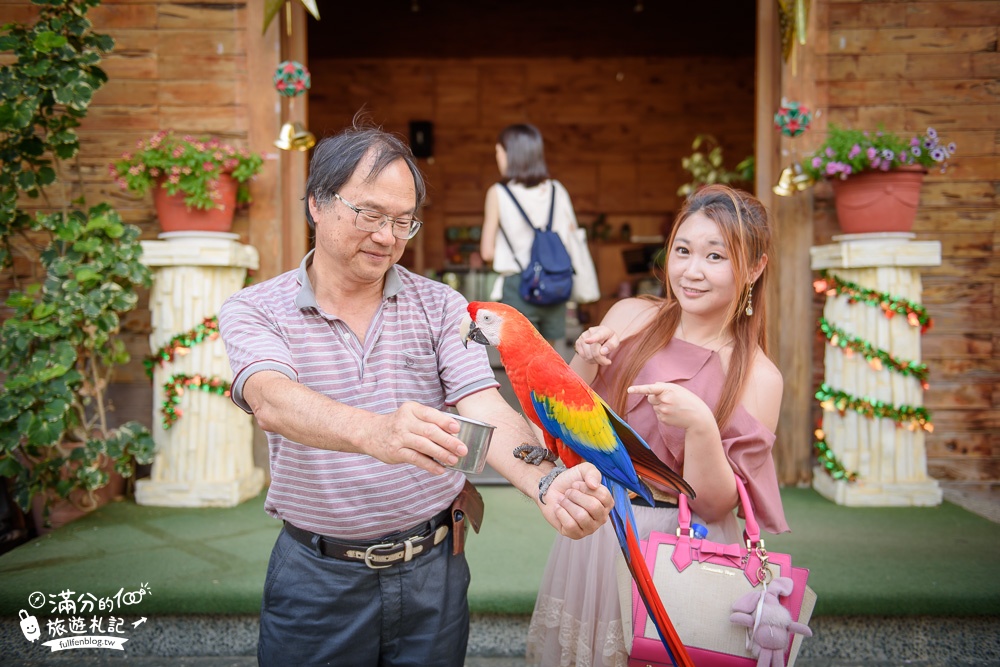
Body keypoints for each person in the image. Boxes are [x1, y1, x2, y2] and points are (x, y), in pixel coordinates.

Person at [217, 120, 614, 667]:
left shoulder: (441, 306)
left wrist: (548, 482)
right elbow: (271, 400)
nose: (388, 237)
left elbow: (482, 404)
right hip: (316, 576)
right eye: (370, 215)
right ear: (316, 204)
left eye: (404, 221)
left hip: (435, 571)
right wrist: (374, 431)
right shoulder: (255, 309)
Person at [525, 184, 790, 667]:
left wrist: (702, 428)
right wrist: (583, 362)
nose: (691, 271)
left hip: (685, 543)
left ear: (754, 267)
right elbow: (562, 418)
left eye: (716, 257)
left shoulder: (759, 376)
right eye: (683, 251)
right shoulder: (631, 316)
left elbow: (714, 503)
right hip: (603, 526)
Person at [479, 123, 583, 346]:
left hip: (519, 286)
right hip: (555, 283)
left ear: (510, 154)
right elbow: (571, 240)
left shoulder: (498, 193)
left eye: (498, 152)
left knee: (521, 366)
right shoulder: (557, 190)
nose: (498, 158)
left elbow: (487, 252)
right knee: (548, 361)